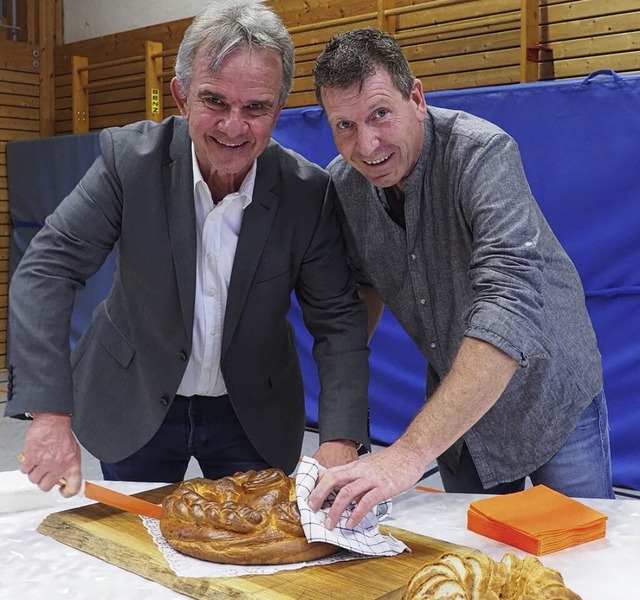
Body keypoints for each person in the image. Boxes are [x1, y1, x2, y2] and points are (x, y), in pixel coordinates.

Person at [6, 0, 371, 497]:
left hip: (253, 411)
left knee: (250, 556)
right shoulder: (129, 163)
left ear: (279, 109)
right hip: (135, 397)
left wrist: (340, 441)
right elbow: (46, 269)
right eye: (215, 101)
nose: (233, 126)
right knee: (136, 556)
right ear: (181, 97)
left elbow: (338, 320)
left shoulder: (308, 193)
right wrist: (49, 413)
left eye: (256, 107)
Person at [309, 27, 614, 529]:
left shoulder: (483, 154)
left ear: (417, 98)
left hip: (553, 396)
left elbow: (507, 305)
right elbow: (359, 293)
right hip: (460, 411)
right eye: (344, 125)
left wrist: (405, 454)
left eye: (380, 114)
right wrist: (342, 424)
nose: (367, 145)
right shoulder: (344, 185)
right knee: (477, 559)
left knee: (585, 552)